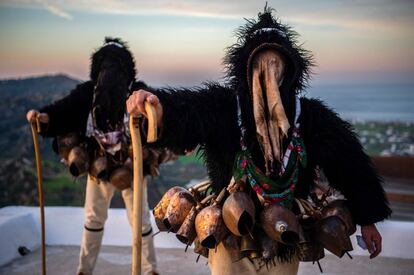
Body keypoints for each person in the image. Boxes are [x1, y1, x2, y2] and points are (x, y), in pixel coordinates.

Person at [126, 7, 391, 275]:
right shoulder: (224, 109)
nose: (268, 75)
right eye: (258, 66)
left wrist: (368, 218)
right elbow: (186, 112)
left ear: (290, 71)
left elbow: (350, 164)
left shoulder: (309, 117)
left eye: (276, 65)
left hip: (285, 234)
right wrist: (153, 104)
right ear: (245, 69)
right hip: (228, 236)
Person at [26, 38, 161, 275]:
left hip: (133, 162)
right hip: (97, 163)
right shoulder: (88, 93)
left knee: (139, 220)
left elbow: (157, 114)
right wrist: (43, 117)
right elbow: (63, 110)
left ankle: (150, 270)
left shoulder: (136, 91)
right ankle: (84, 270)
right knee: (93, 219)